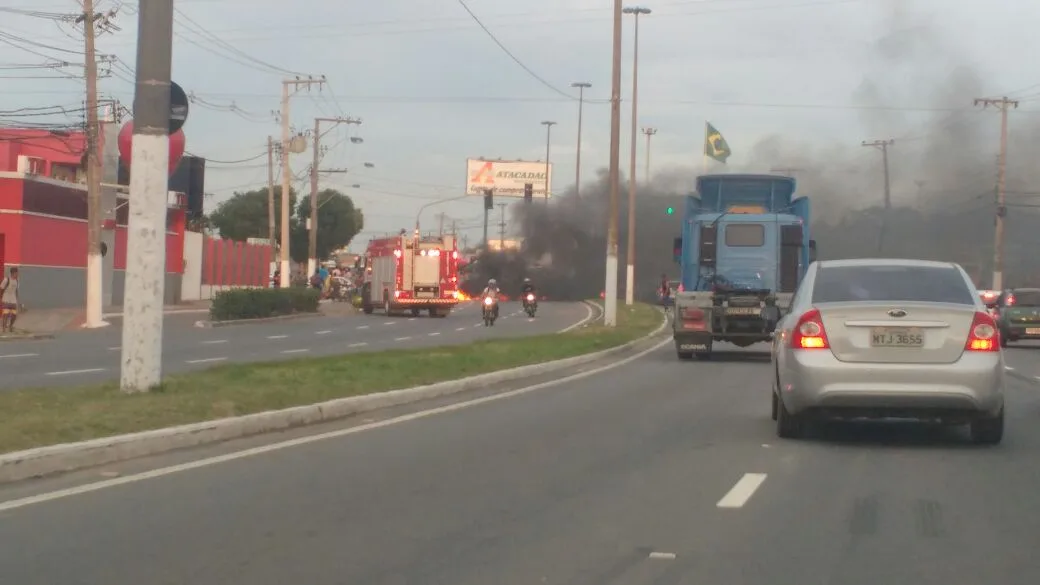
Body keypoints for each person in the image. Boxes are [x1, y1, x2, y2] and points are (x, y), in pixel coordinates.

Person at [1, 267, 20, 333]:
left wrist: (17, 300)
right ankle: (3, 329)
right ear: (13, 273)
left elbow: (16, 291)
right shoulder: (6, 280)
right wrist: (1, 298)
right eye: (16, 273)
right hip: (6, 299)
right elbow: (1, 288)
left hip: (13, 300)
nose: (17, 274)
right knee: (5, 314)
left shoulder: (17, 281)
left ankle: (10, 326)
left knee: (14, 315)